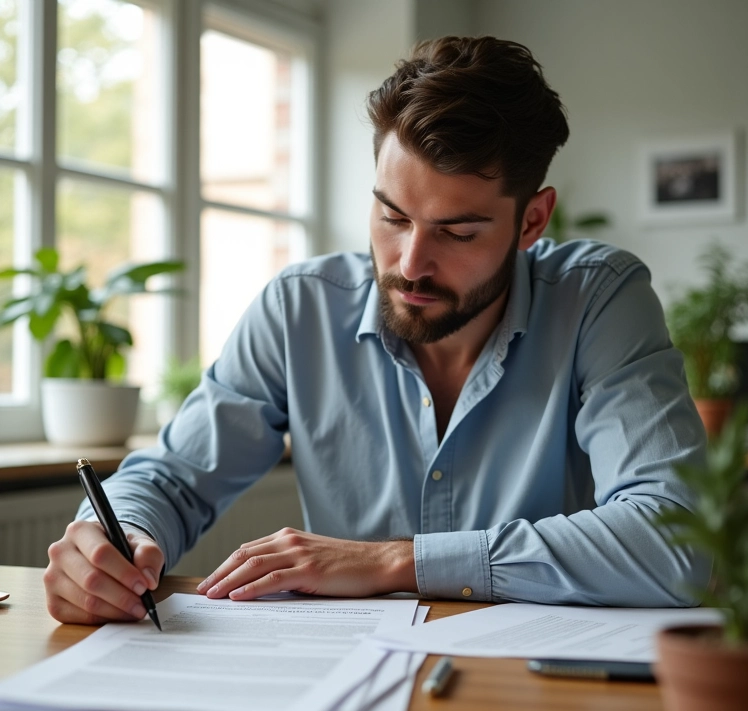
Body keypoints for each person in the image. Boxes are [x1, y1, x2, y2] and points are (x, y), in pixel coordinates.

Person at [44, 36, 710, 625]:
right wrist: (111, 540)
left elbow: (680, 541)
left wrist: (399, 561)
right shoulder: (299, 308)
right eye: (393, 217)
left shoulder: (598, 299)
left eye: (458, 231)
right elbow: (173, 479)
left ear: (532, 222)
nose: (411, 263)